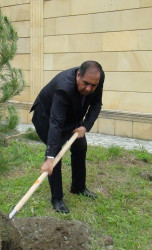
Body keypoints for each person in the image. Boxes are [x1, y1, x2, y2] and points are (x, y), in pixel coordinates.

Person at [30, 60, 104, 214]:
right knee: (55, 153)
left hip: (72, 116)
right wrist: (50, 158)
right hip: (46, 117)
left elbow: (96, 104)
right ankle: (56, 199)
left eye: (93, 85)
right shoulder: (64, 87)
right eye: (85, 83)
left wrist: (85, 126)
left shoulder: (98, 78)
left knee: (80, 145)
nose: (89, 88)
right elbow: (55, 123)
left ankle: (78, 187)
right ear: (78, 75)